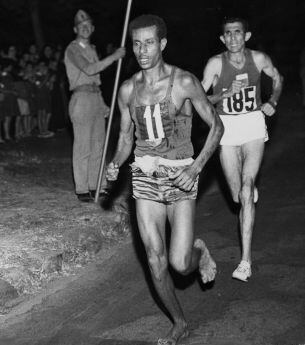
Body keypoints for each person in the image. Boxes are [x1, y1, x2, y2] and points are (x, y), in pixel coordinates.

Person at [106, 15, 223, 344]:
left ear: (163, 44)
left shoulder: (184, 81)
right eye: (137, 43)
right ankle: (179, 323)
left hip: (181, 176)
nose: (142, 50)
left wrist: (196, 168)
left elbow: (216, 127)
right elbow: (125, 138)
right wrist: (116, 163)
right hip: (144, 177)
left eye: (149, 42)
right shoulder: (128, 89)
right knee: (156, 260)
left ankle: (198, 253)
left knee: (179, 262)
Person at [202, 17, 283, 282]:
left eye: (238, 32)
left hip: (252, 124)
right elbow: (200, 100)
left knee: (246, 191)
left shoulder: (259, 59)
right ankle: (246, 191)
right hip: (226, 127)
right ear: (222, 39)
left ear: (246, 36)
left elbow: (278, 78)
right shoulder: (215, 63)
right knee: (237, 196)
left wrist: (273, 99)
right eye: (228, 33)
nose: (234, 37)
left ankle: (245, 261)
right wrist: (223, 94)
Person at [64, 9, 126, 202]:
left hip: (95, 98)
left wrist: (102, 103)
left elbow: (95, 81)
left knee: (99, 145)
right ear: (75, 29)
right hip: (80, 100)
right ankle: (82, 188)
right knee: (83, 146)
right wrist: (114, 57)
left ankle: (97, 184)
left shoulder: (92, 49)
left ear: (93, 28)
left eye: (88, 25)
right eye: (81, 26)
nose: (85, 28)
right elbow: (90, 70)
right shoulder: (72, 49)